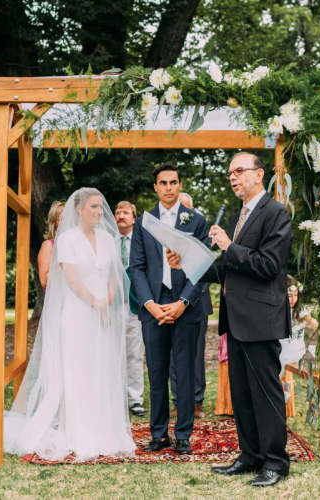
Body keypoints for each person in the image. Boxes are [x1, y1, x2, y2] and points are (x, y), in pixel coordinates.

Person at [0, 188, 136, 462]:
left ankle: (102, 427)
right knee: (77, 369)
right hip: (77, 313)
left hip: (103, 314)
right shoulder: (67, 240)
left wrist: (106, 302)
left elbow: (113, 274)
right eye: (93, 207)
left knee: (100, 367)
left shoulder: (109, 239)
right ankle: (76, 429)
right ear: (79, 209)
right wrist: (95, 303)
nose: (99, 212)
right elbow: (72, 280)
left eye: (100, 207)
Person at [167, 152, 293, 487]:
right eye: (229, 173)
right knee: (241, 394)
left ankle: (276, 463)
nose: (233, 177)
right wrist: (187, 265)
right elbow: (228, 270)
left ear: (259, 174)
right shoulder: (240, 215)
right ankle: (251, 456)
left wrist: (227, 244)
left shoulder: (276, 213)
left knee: (265, 393)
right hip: (236, 319)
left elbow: (268, 265)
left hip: (261, 318)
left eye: (239, 171)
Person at [130, 163, 209, 455]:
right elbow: (136, 267)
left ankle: (184, 434)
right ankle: (159, 433)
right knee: (157, 372)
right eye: (162, 183)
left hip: (185, 307)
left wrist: (182, 302)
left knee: (185, 374)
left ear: (179, 185)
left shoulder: (195, 220)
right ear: (156, 187)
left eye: (173, 182)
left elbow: (202, 266)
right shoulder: (144, 222)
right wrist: (150, 304)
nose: (168, 187)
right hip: (153, 307)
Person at [169, 192, 212, 419]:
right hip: (172, 302)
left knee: (196, 354)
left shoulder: (200, 232)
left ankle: (196, 401)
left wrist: (190, 298)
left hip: (198, 302)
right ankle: (177, 400)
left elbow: (206, 268)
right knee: (174, 356)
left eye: (186, 209)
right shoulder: (168, 236)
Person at [114, 201, 146, 417]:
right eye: (118, 212)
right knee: (111, 352)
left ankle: (135, 399)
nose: (121, 215)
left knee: (134, 353)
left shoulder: (143, 242)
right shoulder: (107, 241)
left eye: (126, 212)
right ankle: (113, 398)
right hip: (111, 305)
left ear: (134, 218)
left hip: (136, 304)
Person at [38, 201, 66, 290]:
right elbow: (43, 280)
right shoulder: (49, 245)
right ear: (54, 224)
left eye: (68, 218)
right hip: (58, 296)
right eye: (61, 219)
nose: (66, 221)